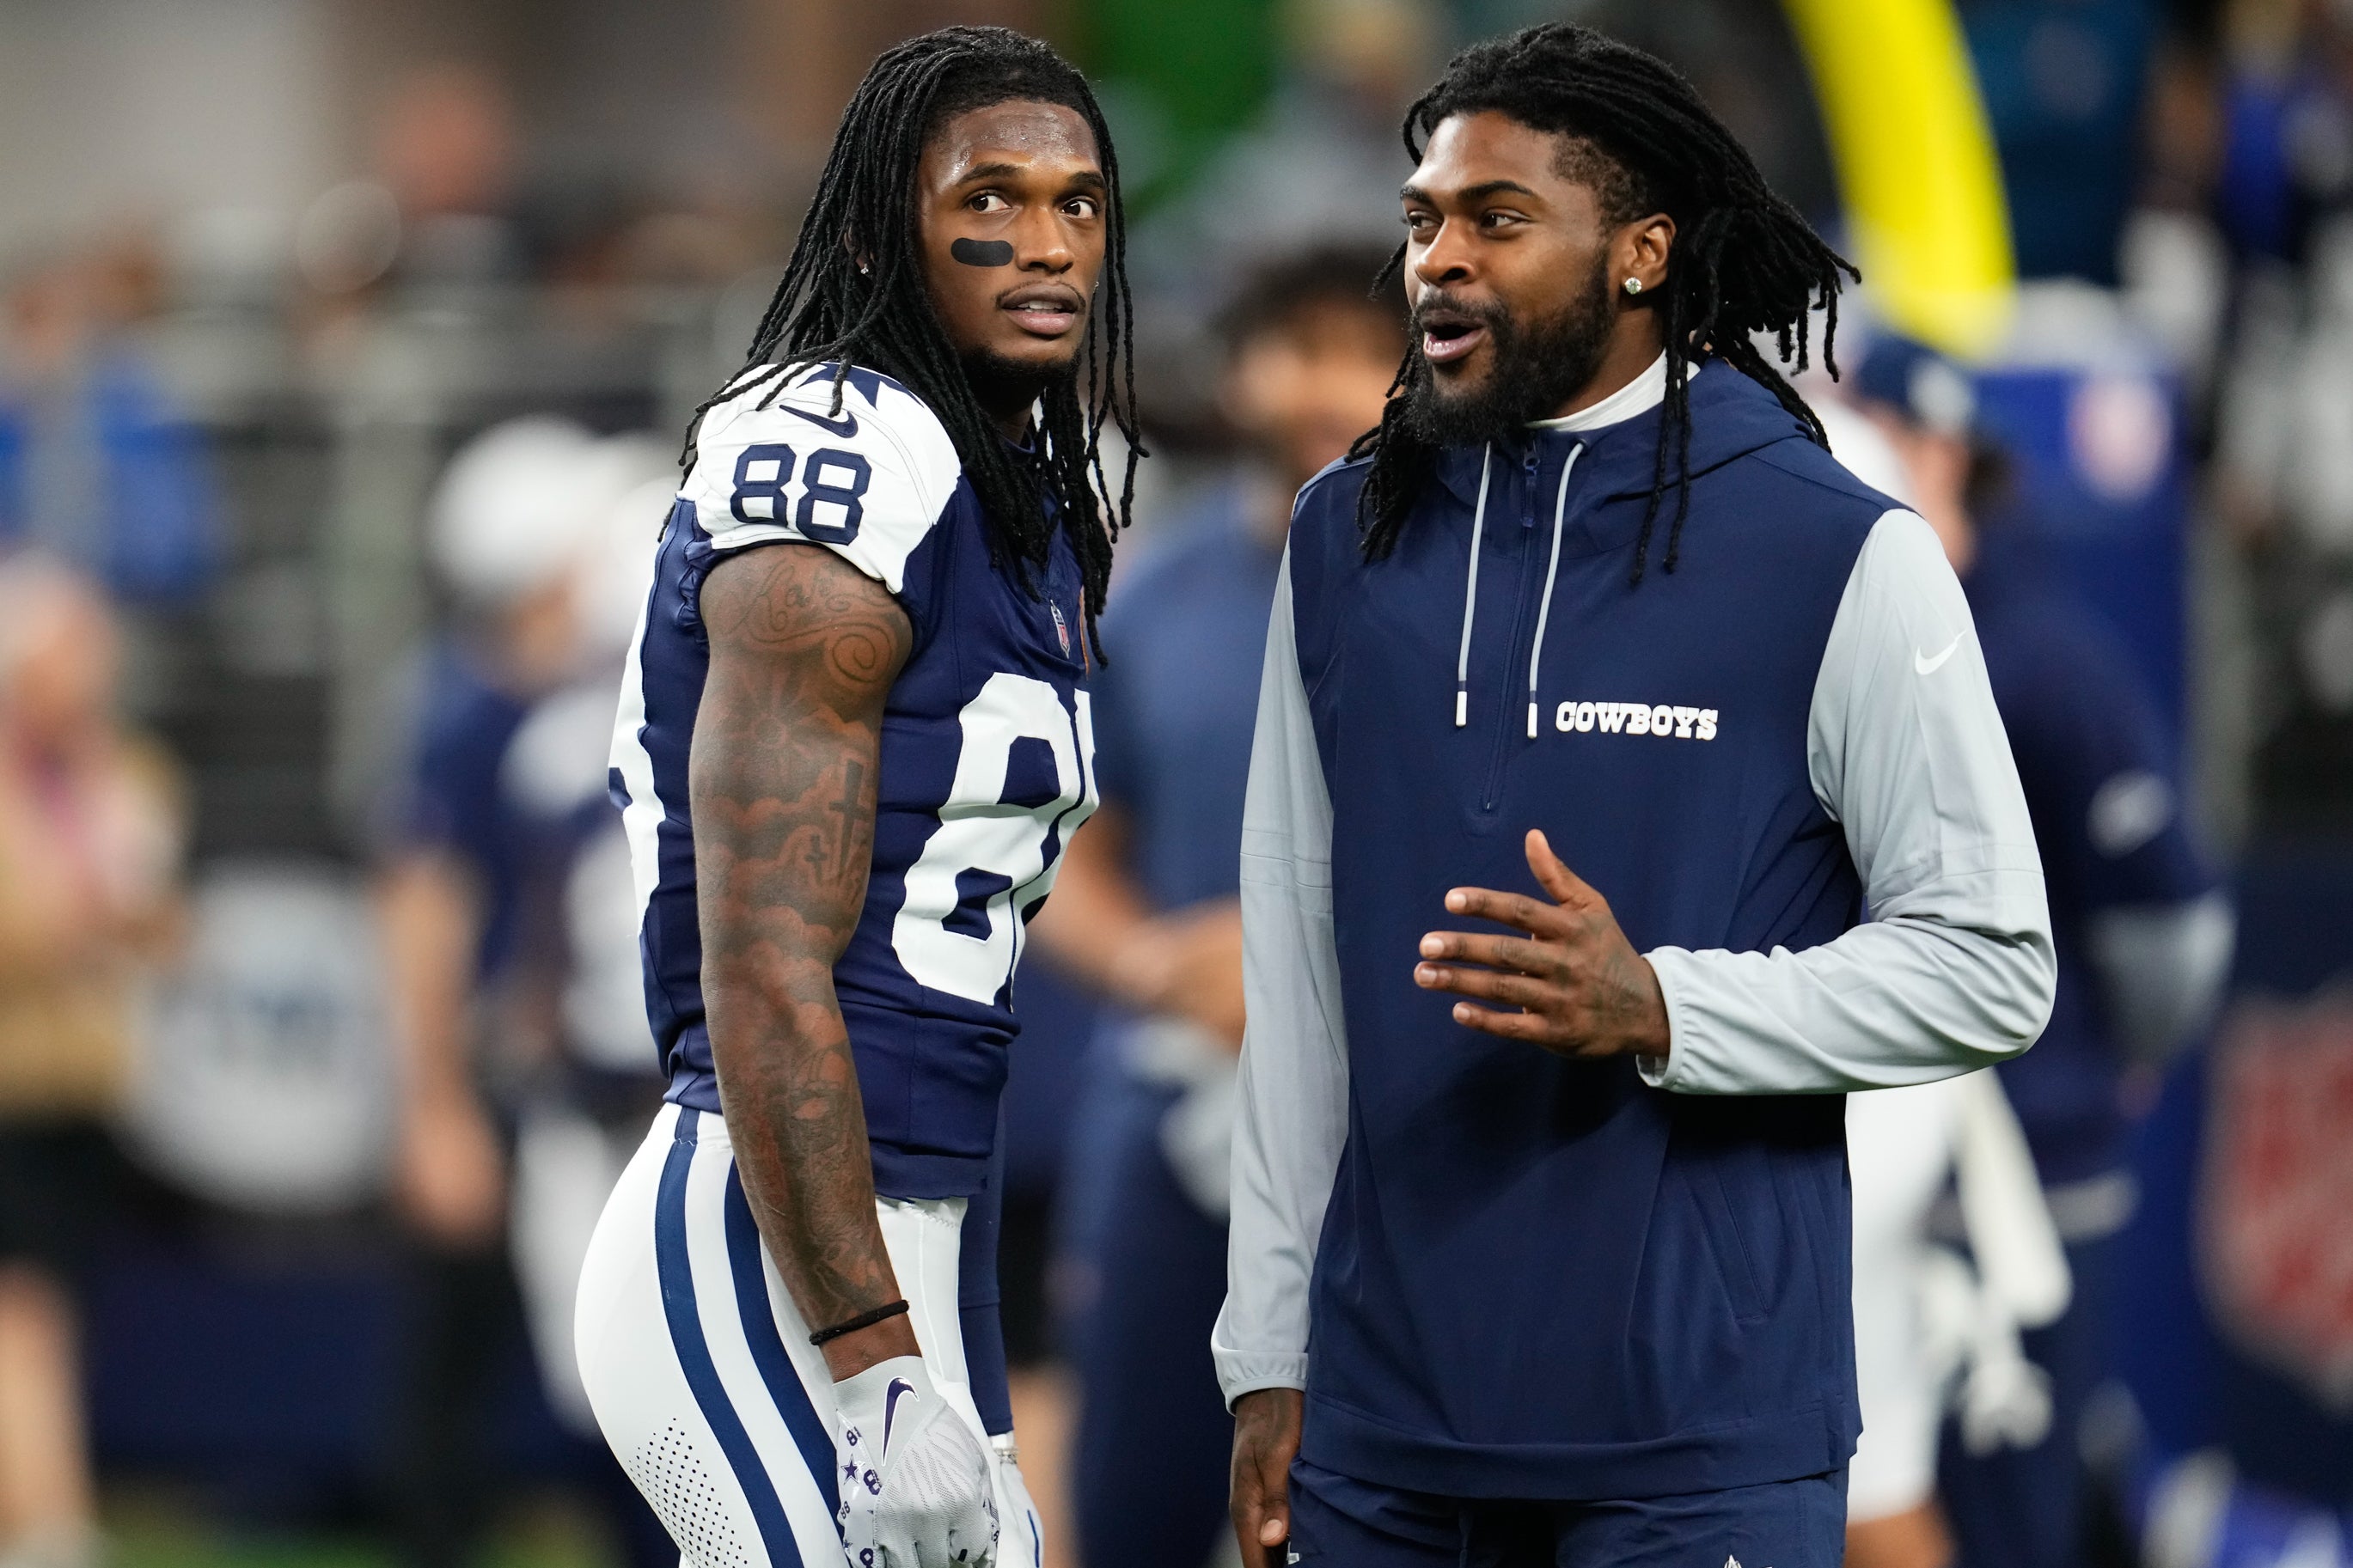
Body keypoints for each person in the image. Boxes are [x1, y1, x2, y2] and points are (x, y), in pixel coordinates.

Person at [1218, 24, 2057, 1568]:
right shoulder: (1344, 535)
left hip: (1698, 1448)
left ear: (1641, 253)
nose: (1437, 263)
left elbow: (1992, 962)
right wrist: (1265, 1350)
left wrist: (1667, 1008)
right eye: (1421, 223)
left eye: (1496, 221)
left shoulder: (1835, 550)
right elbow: (1295, 965)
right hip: (1380, 1433)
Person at [572, 26, 1137, 1568]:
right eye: (992, 198)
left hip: (921, 1229)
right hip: (766, 1243)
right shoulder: (841, 448)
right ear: (894, 217)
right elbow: (762, 960)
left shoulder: (1010, 492)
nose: (1045, 242)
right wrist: (877, 1362)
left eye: (1078, 203)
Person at [1028, 243, 1403, 1568]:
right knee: (1130, 1491)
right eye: (1293, 345)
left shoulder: (1481, 582)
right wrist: (1148, 960)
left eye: (1364, 351)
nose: (1323, 385)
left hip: (1397, 1108)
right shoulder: (1159, 589)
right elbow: (1053, 850)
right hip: (1183, 1096)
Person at [1847, 336, 2232, 1568]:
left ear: (1938, 449)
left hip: (2018, 1156)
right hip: (1851, 1158)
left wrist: (2079, 1067)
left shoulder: (2044, 655)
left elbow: (2169, 925)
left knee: (2007, 1507)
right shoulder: (1818, 635)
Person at [375, 416, 673, 1568]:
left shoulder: (615, 712)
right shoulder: (506, 717)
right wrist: (438, 1099)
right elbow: (430, 905)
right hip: (549, 1083)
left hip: (638, 1088)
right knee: (516, 1365)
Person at [0, 559, 183, 1568]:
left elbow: (158, 921)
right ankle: (51, 1525)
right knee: (24, 1312)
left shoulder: (120, 770)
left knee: (45, 1308)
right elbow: (32, 931)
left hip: (83, 1083)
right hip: (11, 1085)